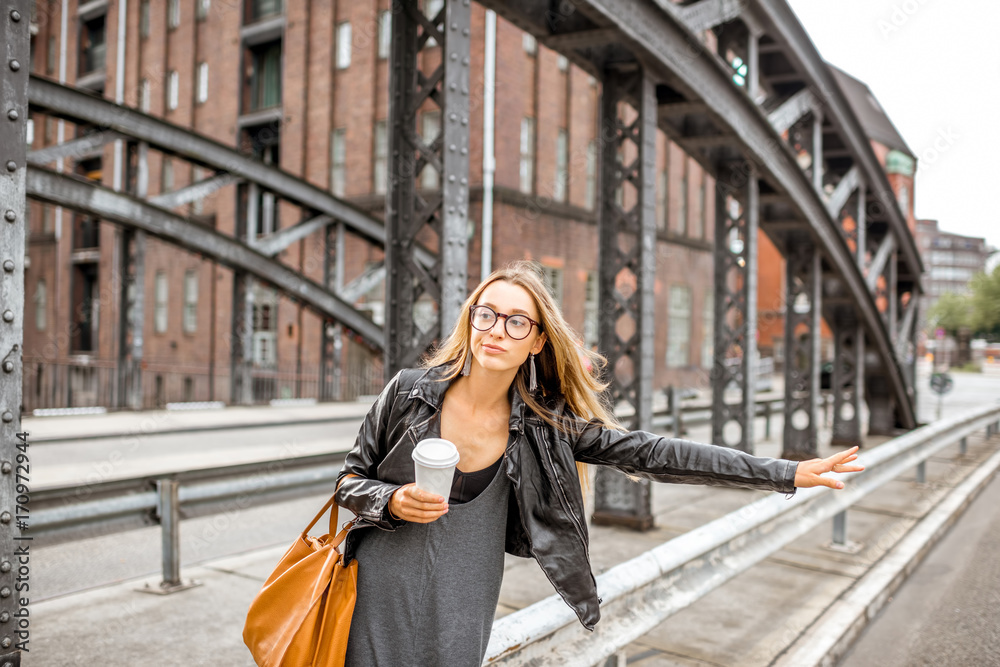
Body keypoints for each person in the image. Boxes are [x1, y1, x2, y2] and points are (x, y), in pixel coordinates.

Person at [334, 260, 863, 666]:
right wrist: (392, 499)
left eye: (518, 322)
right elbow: (348, 481)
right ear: (470, 321)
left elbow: (651, 452)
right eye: (487, 313)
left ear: (538, 340)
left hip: (461, 604)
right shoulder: (408, 393)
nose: (497, 330)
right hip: (376, 589)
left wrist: (785, 472)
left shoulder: (546, 427)